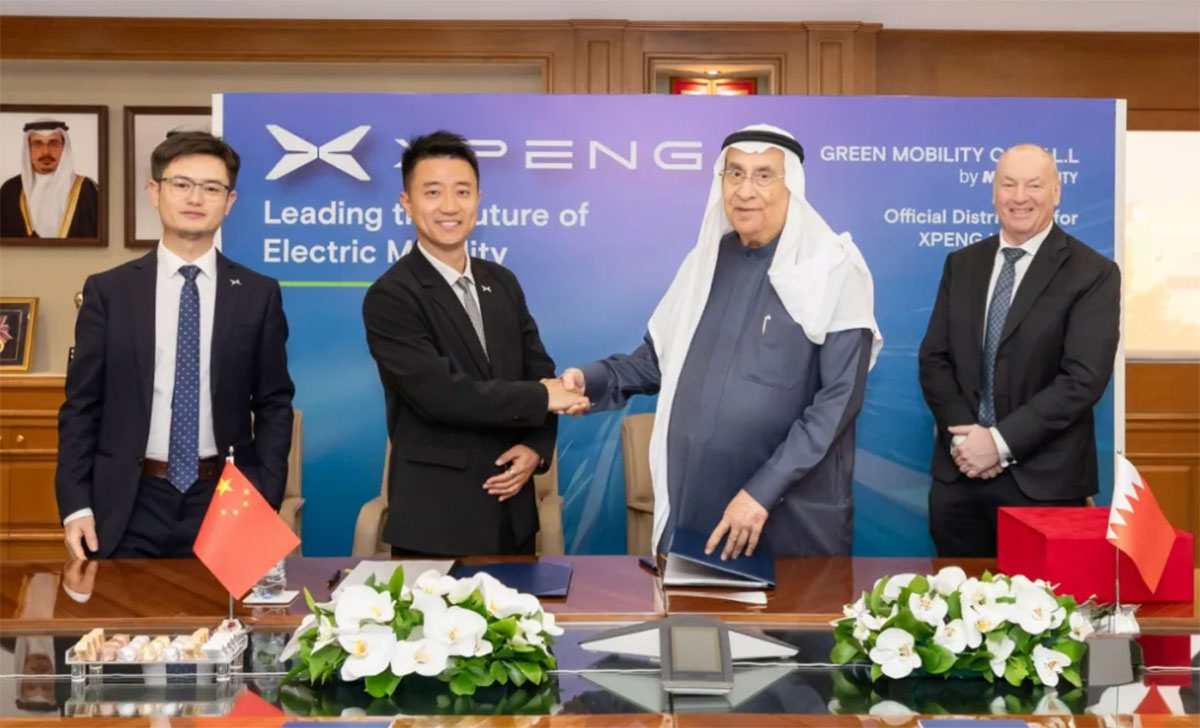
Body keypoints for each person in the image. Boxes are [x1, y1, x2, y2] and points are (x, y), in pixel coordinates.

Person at [561, 124, 881, 559]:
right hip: (696, 504)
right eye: (735, 173)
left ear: (792, 185)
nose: (745, 190)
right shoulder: (704, 262)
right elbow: (657, 359)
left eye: (764, 175)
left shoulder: (833, 267)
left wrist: (762, 492)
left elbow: (838, 402)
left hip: (788, 510)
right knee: (694, 606)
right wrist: (592, 379)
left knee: (787, 608)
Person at [56, 131, 295, 559]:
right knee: (117, 606)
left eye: (211, 188)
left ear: (230, 201)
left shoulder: (258, 295)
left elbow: (274, 403)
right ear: (155, 191)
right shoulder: (109, 292)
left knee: (227, 607)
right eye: (181, 184)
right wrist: (76, 503)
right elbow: (81, 405)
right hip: (127, 501)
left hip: (225, 497)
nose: (195, 198)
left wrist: (266, 492)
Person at [362, 130, 586, 556]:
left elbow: (540, 370)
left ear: (478, 199)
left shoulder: (502, 282)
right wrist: (545, 397)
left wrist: (535, 448)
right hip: (437, 523)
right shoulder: (391, 296)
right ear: (406, 202)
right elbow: (443, 396)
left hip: (512, 516)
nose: (450, 206)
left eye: (462, 191)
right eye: (433, 192)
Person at [918, 144, 1120, 557]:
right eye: (1008, 184)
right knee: (953, 597)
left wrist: (998, 443)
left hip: (1045, 484)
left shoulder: (1093, 273)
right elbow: (934, 359)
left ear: (1057, 192)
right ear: (994, 192)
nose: (1020, 197)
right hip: (959, 482)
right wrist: (967, 442)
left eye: (1034, 185)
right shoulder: (962, 263)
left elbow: (1082, 379)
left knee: (1044, 600)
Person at [0, 119, 99, 238]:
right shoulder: (9, 191)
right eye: (37, 144)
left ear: (64, 148)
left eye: (53, 143)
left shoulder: (88, 190)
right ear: (28, 149)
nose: (46, 152)